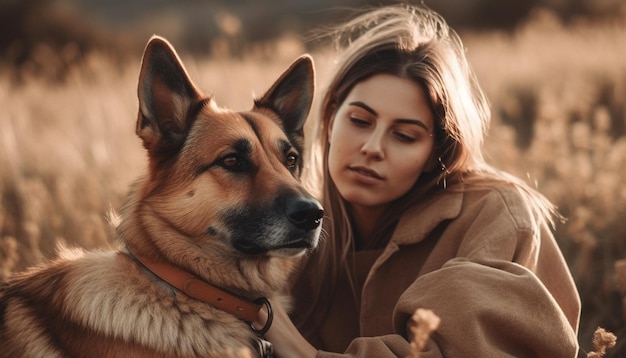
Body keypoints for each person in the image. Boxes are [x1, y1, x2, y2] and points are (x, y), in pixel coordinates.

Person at [254, 4, 581, 357]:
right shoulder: (298, 226)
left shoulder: (495, 216)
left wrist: (294, 344)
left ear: (435, 152)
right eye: (360, 121)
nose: (372, 148)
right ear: (331, 119)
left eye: (405, 136)